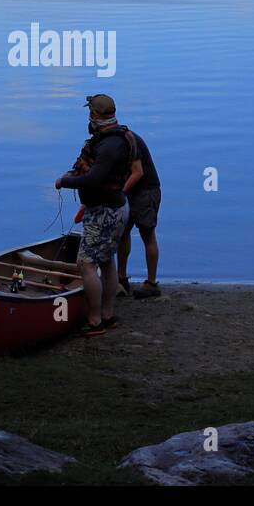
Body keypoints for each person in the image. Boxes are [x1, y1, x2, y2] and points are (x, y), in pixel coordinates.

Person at [55, 94, 134, 337]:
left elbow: (94, 179)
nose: (88, 117)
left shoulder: (110, 145)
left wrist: (64, 181)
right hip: (116, 207)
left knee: (86, 264)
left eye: (90, 113)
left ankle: (95, 319)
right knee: (107, 260)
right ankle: (107, 316)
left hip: (104, 213)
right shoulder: (119, 138)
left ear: (96, 116)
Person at [117, 124, 162, 298]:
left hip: (146, 191)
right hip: (128, 190)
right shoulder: (118, 138)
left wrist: (119, 193)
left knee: (147, 234)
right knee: (123, 232)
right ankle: (121, 279)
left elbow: (138, 173)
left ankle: (151, 283)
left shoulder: (127, 139)